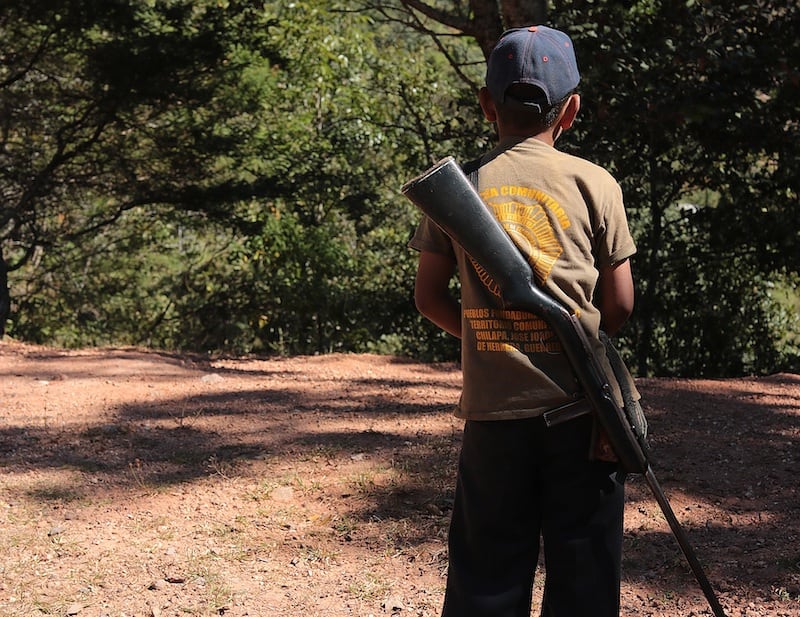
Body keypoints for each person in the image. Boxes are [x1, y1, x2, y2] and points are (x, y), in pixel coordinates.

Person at [408, 25, 637, 617]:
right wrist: (577, 341)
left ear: (487, 104)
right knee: (584, 576)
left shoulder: (463, 190)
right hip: (585, 414)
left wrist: (488, 336)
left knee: (486, 577)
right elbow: (620, 305)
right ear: (573, 110)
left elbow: (429, 297)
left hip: (493, 415)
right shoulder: (596, 184)